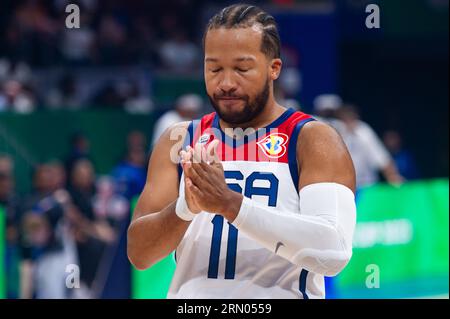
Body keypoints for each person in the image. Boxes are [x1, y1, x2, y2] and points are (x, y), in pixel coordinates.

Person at [128, 4, 356, 299]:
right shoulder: (179, 139)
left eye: (241, 68)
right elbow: (139, 254)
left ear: (274, 68)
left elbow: (333, 252)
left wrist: (230, 205)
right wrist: (186, 208)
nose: (226, 83)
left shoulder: (313, 139)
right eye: (214, 68)